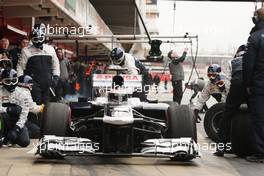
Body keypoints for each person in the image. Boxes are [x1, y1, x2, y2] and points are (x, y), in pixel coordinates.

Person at [214, 45, 248, 157]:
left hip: (237, 87)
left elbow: (227, 82)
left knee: (226, 118)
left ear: (238, 53)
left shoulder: (231, 62)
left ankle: (221, 148)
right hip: (253, 88)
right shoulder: (256, 59)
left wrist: (230, 99)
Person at [16, 23, 60, 104]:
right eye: (36, 39)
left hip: (48, 82)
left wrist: (56, 76)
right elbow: (20, 67)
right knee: (35, 103)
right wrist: (21, 80)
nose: (38, 41)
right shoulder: (26, 50)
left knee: (47, 105)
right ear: (32, 39)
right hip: (32, 83)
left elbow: (56, 64)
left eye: (40, 38)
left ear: (44, 37)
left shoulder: (50, 49)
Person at [243, 8, 264, 162]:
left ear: (257, 19)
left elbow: (248, 64)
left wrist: (247, 83)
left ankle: (260, 153)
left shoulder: (255, 37)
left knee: (259, 118)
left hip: (259, 84)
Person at [0, 69, 30, 147]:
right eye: (7, 81)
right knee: (3, 115)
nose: (11, 84)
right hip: (4, 121)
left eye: (13, 80)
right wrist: (7, 109)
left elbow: (24, 114)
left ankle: (10, 138)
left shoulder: (23, 93)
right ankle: (3, 136)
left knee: (25, 142)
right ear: (2, 81)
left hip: (16, 122)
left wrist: (16, 129)